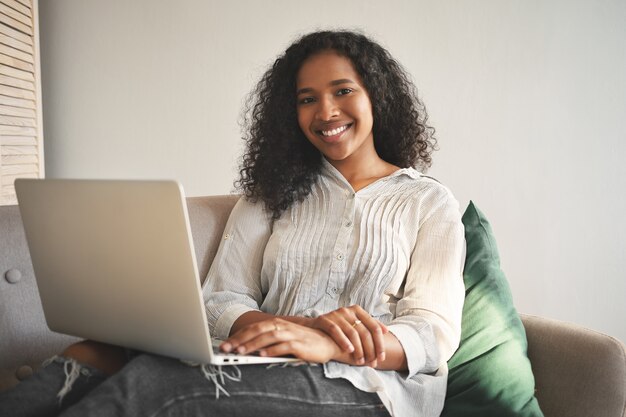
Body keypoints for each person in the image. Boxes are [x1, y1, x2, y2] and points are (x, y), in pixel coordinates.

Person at [0, 30, 465, 417]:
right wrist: (281, 330)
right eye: (307, 99)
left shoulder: (428, 202)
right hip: (262, 362)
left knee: (158, 383)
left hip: (371, 388)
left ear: (376, 96)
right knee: (89, 354)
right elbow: (221, 298)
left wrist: (327, 343)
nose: (325, 112)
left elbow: (432, 332)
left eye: (343, 90)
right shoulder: (271, 194)